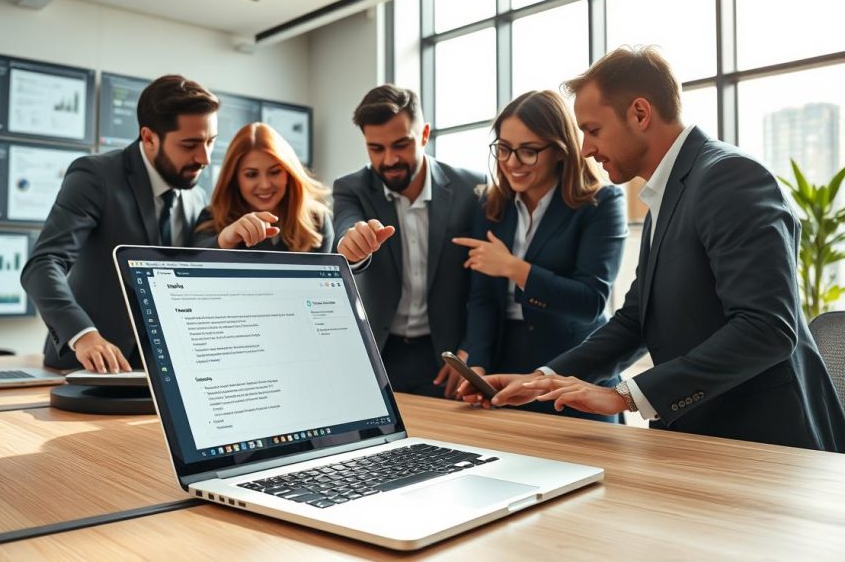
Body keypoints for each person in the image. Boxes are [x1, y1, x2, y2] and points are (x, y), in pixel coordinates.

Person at [460, 46, 845, 452]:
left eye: (592, 130)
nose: (586, 148)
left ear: (640, 114)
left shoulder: (730, 178)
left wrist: (627, 395)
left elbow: (766, 328)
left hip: (766, 444)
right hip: (702, 438)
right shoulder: (669, 190)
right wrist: (540, 378)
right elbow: (635, 322)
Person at [21, 75, 219, 373]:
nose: (204, 158)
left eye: (211, 142)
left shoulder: (197, 196)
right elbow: (44, 263)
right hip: (88, 368)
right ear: (149, 137)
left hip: (165, 372)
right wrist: (84, 336)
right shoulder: (96, 176)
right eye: (190, 144)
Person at [451, 90, 626, 420]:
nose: (512, 163)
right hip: (504, 365)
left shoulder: (601, 203)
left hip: (573, 372)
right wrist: (476, 360)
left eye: (528, 152)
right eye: (503, 149)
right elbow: (483, 299)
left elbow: (591, 301)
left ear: (560, 150)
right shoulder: (491, 206)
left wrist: (514, 268)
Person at [334, 84, 482, 397]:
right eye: (376, 148)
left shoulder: (472, 187)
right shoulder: (351, 188)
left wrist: (471, 350)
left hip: (446, 356)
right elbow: (346, 231)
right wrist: (353, 246)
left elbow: (485, 283)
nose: (389, 159)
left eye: (401, 144)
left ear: (424, 134)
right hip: (376, 354)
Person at [193, 122, 333, 252]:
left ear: (289, 173)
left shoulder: (316, 219)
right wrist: (225, 240)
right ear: (234, 179)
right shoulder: (212, 217)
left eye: (275, 172)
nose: (265, 185)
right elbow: (193, 265)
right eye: (251, 174)